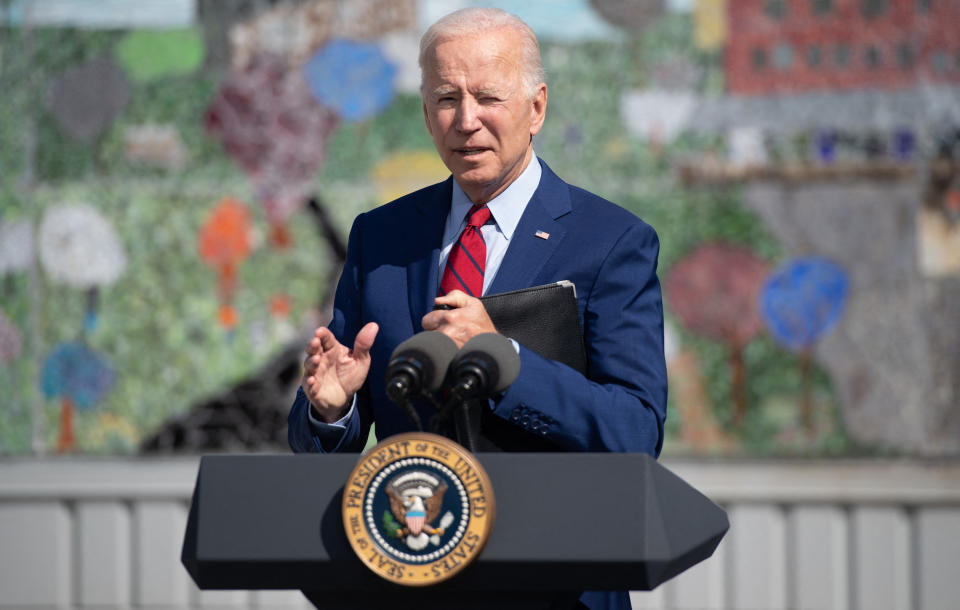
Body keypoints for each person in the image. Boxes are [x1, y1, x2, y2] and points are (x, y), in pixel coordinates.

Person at [288, 8, 666, 609]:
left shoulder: (611, 242)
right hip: (407, 580)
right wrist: (331, 412)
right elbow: (327, 427)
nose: (466, 121)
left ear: (536, 107)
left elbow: (636, 430)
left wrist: (504, 359)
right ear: (424, 112)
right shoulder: (380, 238)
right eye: (446, 98)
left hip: (556, 586)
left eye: (488, 96)